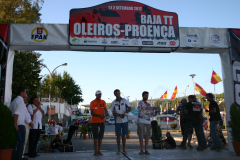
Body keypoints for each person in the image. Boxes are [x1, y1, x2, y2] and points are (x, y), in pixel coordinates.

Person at [110, 89, 132, 155]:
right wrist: (117, 114)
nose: (118, 95)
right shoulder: (113, 102)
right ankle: (119, 150)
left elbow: (130, 108)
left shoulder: (125, 100)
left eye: (119, 93)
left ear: (120, 93)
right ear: (114, 95)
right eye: (116, 94)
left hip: (125, 120)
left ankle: (124, 149)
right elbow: (112, 111)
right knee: (118, 136)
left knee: (124, 135)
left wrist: (125, 112)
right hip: (117, 121)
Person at [9, 86, 27, 160]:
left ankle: (13, 157)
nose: (25, 94)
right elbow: (16, 113)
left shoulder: (14, 101)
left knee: (15, 142)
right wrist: (16, 125)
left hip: (15, 124)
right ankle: (18, 157)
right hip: (19, 124)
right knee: (21, 142)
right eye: (25, 92)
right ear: (22, 92)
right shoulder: (20, 101)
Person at [90, 90, 109, 156]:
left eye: (100, 94)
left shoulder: (103, 102)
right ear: (96, 95)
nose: (99, 95)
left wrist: (106, 113)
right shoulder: (92, 102)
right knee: (95, 137)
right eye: (98, 94)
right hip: (95, 122)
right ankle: (95, 151)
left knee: (100, 137)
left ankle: (99, 151)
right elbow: (92, 113)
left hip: (102, 122)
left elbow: (105, 110)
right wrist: (100, 115)